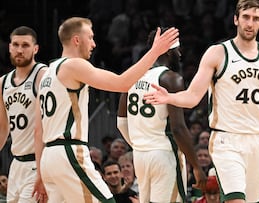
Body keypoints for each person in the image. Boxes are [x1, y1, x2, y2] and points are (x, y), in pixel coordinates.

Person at [144, 0, 259, 202]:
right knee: (236, 199)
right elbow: (192, 96)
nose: (250, 23)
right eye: (245, 17)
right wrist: (170, 97)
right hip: (227, 140)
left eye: (256, 19)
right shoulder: (218, 52)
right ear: (236, 19)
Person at [33, 17, 179, 203]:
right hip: (68, 152)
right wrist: (155, 51)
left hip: (48, 158)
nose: (94, 44)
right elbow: (122, 83)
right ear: (77, 40)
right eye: (91, 37)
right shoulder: (74, 65)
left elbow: (38, 131)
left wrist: (39, 173)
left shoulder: (47, 73)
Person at [117, 27, 207, 203]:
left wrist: (141, 144)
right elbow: (179, 128)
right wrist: (196, 166)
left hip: (140, 155)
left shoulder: (133, 76)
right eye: (177, 49)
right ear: (169, 50)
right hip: (164, 155)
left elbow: (121, 123)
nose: (180, 54)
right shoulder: (171, 79)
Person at [0, 26, 48, 203]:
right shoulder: (3, 82)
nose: (20, 50)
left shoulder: (43, 75)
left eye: (25, 45)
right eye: (16, 44)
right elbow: (3, 129)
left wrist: (42, 173)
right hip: (16, 164)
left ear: (35, 49)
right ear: (9, 47)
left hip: (38, 163)